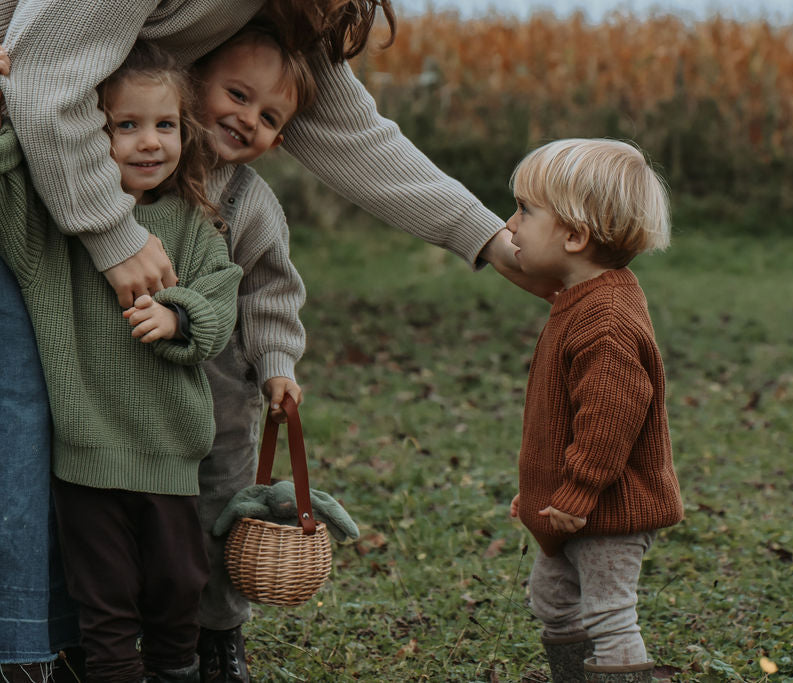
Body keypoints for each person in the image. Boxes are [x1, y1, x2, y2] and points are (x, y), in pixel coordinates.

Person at [0, 0, 554, 677]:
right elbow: (40, 78)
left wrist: (491, 240)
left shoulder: (265, 93)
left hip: (177, 372)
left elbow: (351, 139)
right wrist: (112, 232)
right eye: (236, 97)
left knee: (174, 498)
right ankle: (38, 646)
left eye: (270, 117)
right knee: (30, 421)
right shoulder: (139, 179)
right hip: (29, 167)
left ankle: (156, 639)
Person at [0, 41, 242, 682]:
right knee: (102, 604)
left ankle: (174, 671)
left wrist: (178, 314)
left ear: (183, 132)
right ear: (88, 135)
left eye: (163, 125)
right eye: (124, 126)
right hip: (87, 457)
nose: (148, 143)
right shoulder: (59, 231)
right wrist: (7, 105)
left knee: (176, 589)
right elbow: (8, 182)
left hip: (169, 453)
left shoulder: (191, 224)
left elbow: (222, 296)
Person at [505, 139, 684, 683]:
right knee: (554, 602)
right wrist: (539, 488)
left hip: (607, 508)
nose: (509, 225)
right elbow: (562, 419)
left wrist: (578, 492)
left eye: (524, 211)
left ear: (575, 236)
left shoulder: (605, 320)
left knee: (607, 613)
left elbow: (610, 421)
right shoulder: (579, 297)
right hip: (569, 506)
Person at [188, 23, 316, 680]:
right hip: (126, 391)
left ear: (279, 140)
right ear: (194, 80)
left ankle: (219, 633)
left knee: (220, 509)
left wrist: (276, 368)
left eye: (268, 117)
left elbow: (269, 293)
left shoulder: (251, 204)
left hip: (219, 395)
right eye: (237, 95)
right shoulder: (138, 163)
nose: (247, 119)